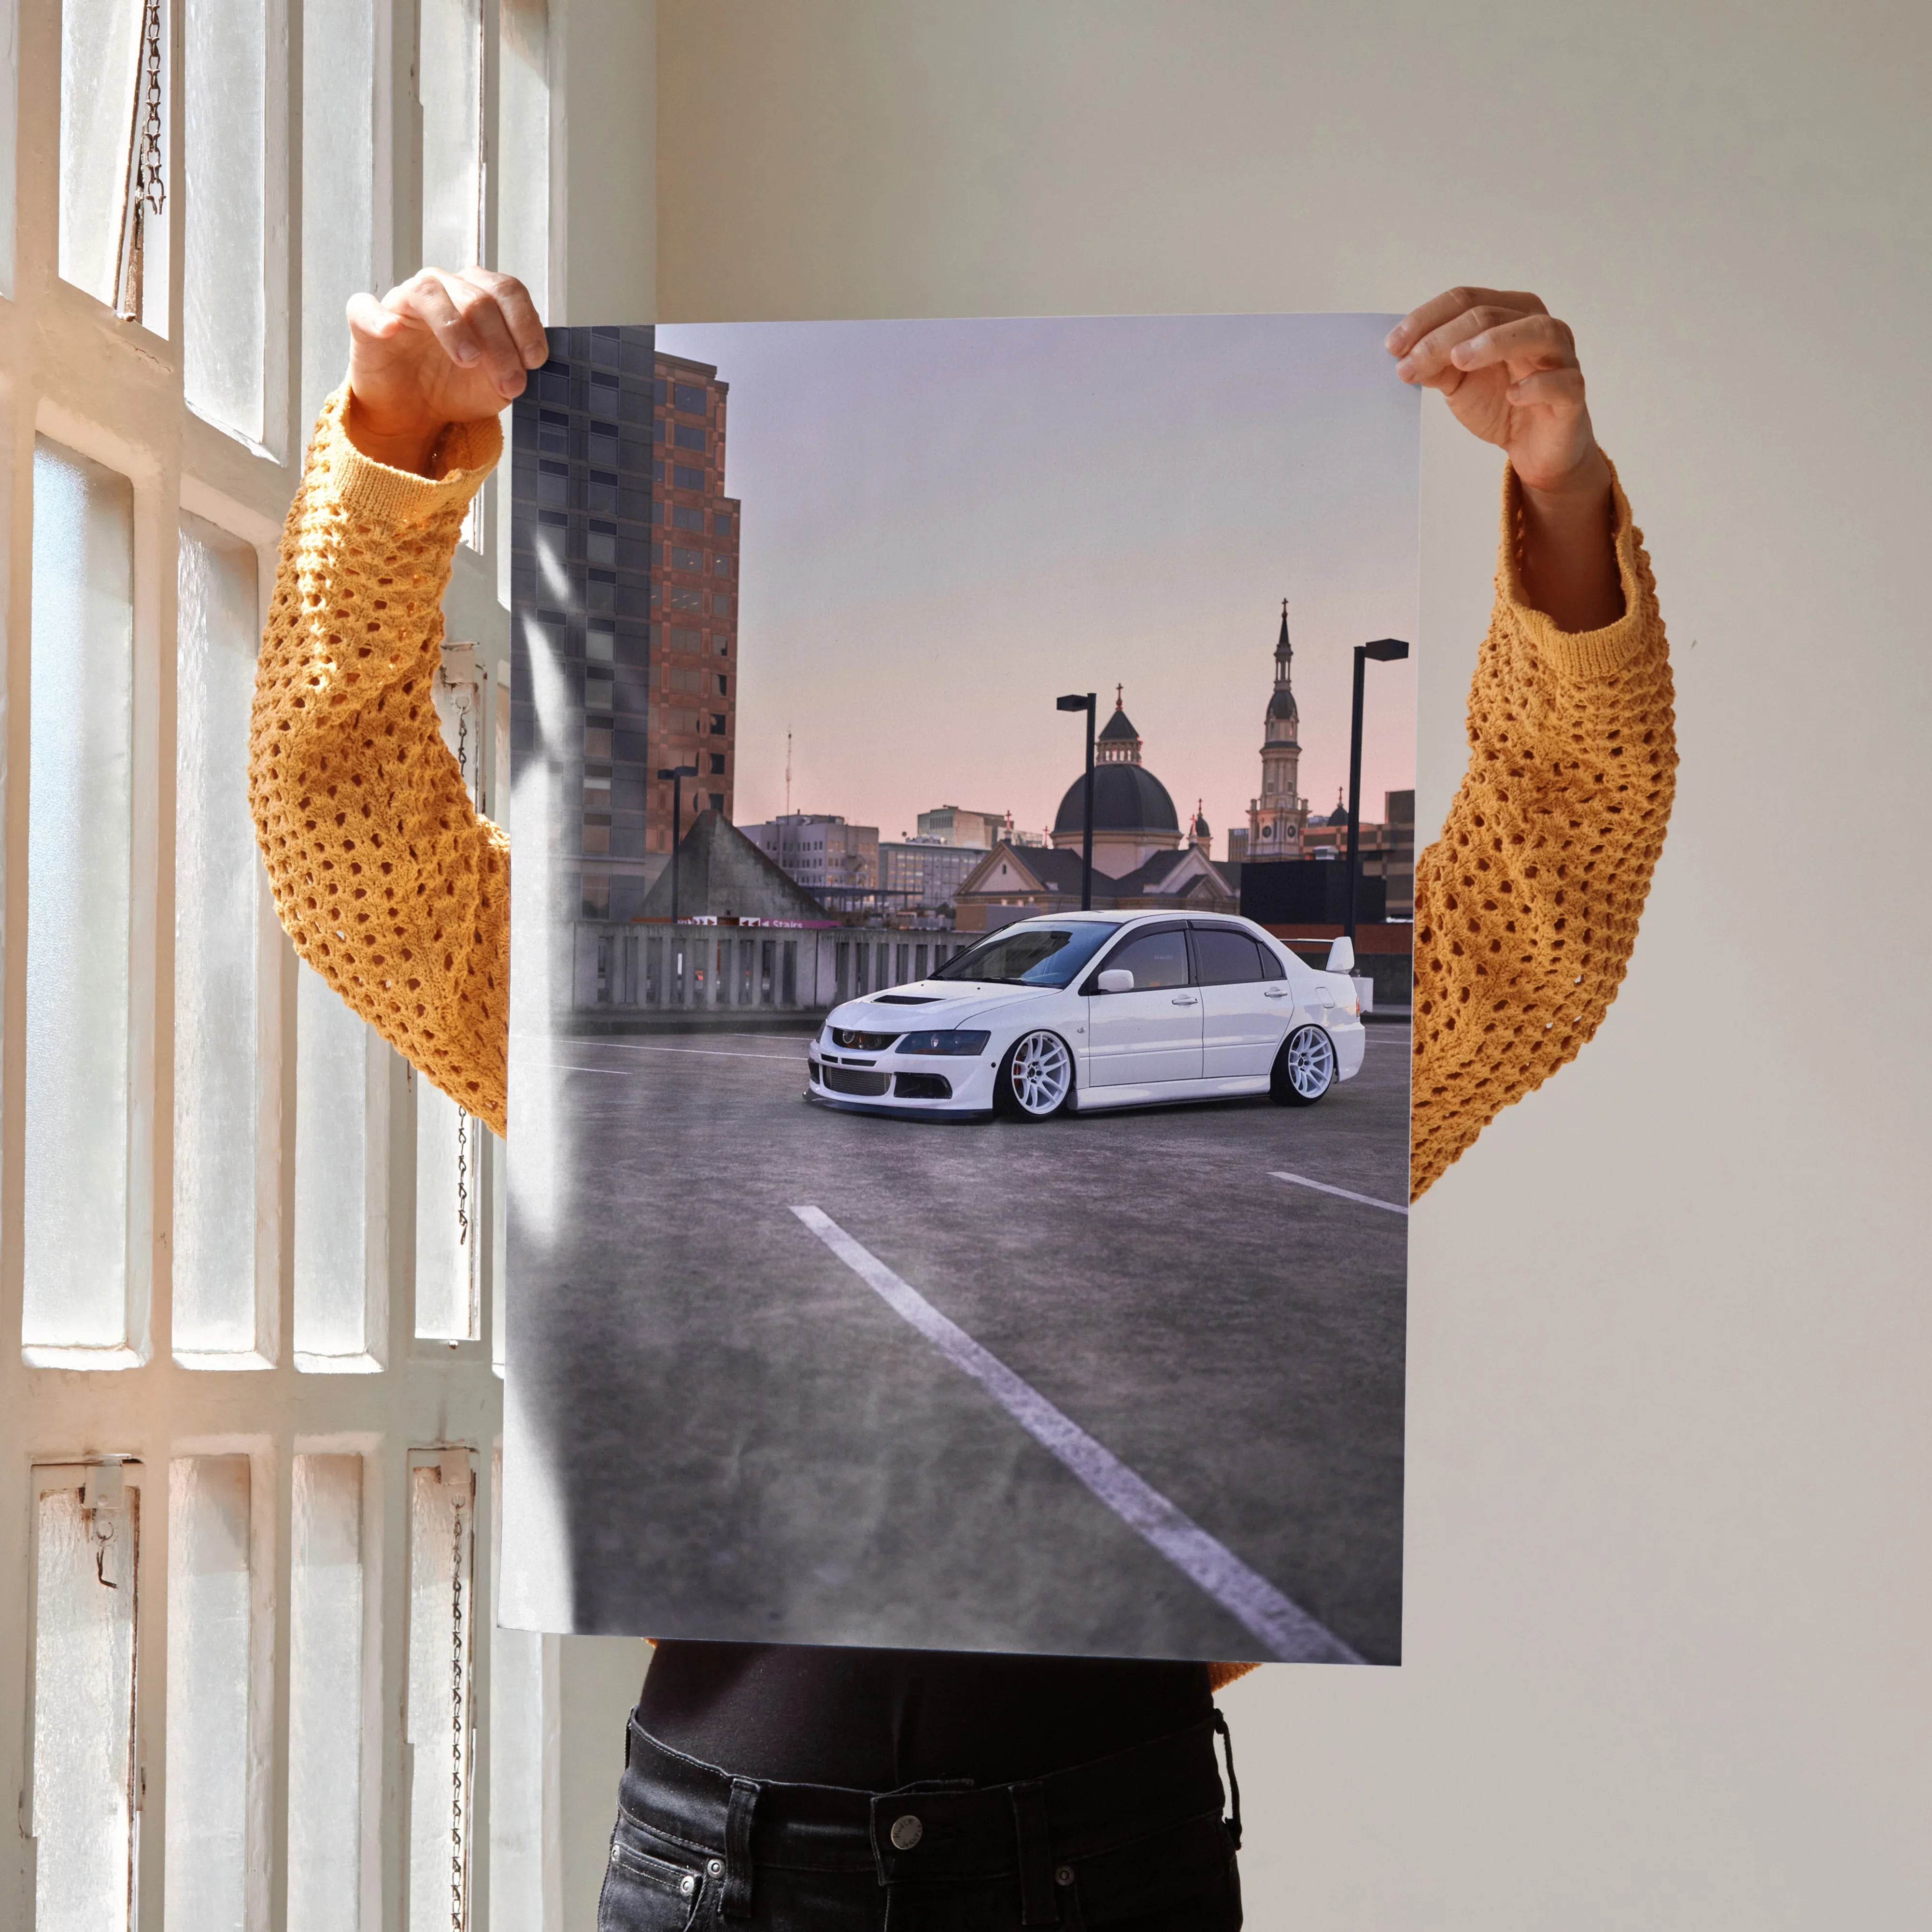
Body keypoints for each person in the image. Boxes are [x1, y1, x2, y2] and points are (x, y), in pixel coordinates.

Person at [250, 271, 1674, 1930]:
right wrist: (390, 444)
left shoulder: (1239, 1070)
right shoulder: (635, 1075)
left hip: (1090, 1849)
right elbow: (348, 845)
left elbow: (1544, 913)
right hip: (736, 1862)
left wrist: (1562, 498)